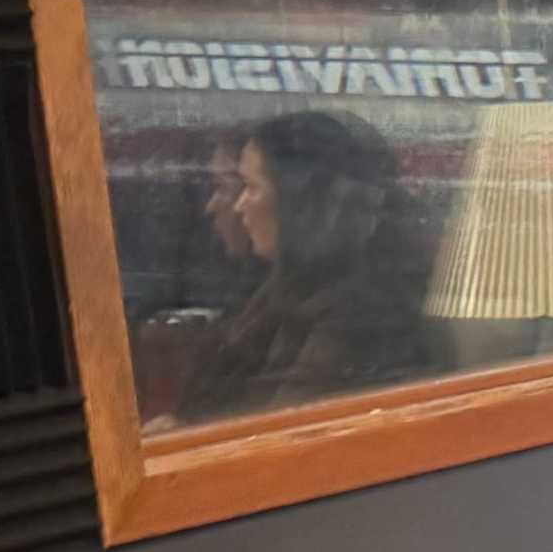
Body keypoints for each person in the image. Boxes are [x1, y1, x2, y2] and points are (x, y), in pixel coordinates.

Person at [174, 110, 419, 424]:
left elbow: (279, 435)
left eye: (250, 187)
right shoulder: (288, 285)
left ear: (299, 202)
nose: (238, 205)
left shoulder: (356, 314)